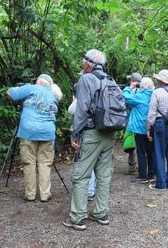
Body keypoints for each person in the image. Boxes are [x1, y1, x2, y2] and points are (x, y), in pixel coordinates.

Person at [62, 49, 115, 230]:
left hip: (91, 133)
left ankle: (77, 217)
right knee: (104, 175)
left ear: (87, 64)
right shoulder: (110, 79)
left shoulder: (86, 79)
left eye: (83, 62)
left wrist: (74, 134)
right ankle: (101, 213)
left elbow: (81, 109)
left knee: (81, 175)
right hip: (109, 134)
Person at [7, 74, 61, 203]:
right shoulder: (54, 95)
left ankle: (30, 194)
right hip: (47, 133)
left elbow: (10, 93)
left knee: (29, 163)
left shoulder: (30, 88)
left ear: (38, 82)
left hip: (28, 132)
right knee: (45, 164)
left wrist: (20, 89)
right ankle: (45, 194)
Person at [146, 70, 168, 191]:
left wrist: (148, 130)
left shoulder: (157, 92)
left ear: (161, 80)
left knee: (159, 153)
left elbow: (151, 114)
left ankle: (161, 184)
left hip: (161, 124)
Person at [123, 77, 156, 183]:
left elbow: (124, 96)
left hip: (140, 128)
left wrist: (130, 87)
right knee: (151, 152)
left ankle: (142, 175)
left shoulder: (140, 96)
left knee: (141, 152)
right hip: (151, 128)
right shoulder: (154, 95)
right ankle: (151, 174)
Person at [68, 86, 96, 201]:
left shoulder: (82, 97)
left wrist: (75, 99)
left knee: (86, 162)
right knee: (97, 163)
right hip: (102, 132)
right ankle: (94, 189)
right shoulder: (101, 92)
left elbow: (72, 110)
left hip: (87, 133)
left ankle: (89, 191)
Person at [123, 72, 142, 175]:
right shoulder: (145, 91)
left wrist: (129, 88)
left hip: (131, 121)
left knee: (133, 145)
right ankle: (136, 167)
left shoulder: (132, 92)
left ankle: (133, 167)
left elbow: (124, 99)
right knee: (135, 144)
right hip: (138, 122)